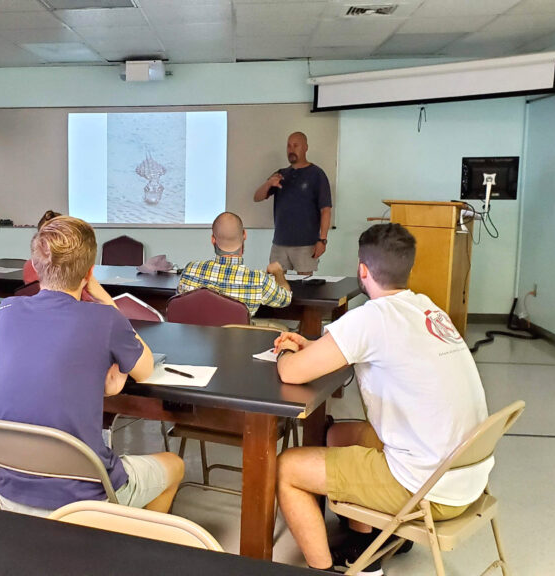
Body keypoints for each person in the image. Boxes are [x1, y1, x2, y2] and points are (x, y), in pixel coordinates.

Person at [273, 224, 490, 575]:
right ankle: (370, 543)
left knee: (287, 467)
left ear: (363, 270)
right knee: (338, 436)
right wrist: (313, 347)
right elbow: (363, 346)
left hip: (426, 489)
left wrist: (285, 348)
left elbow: (291, 373)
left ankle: (326, 569)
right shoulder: (426, 308)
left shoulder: (370, 318)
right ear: (407, 268)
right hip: (466, 474)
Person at [0, 215, 184, 516]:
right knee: (175, 466)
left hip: (10, 490)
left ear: (36, 264)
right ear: (89, 271)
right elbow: (145, 370)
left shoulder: (7, 310)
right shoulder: (105, 319)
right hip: (81, 497)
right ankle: (132, 542)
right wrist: (104, 296)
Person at [177, 211, 292, 317]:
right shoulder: (259, 280)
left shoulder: (190, 270)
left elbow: (180, 301)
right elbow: (285, 299)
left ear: (213, 239)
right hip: (237, 339)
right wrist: (278, 274)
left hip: (196, 338)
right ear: (244, 235)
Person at [253, 132, 332, 275]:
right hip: (279, 243)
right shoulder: (281, 174)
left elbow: (325, 209)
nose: (291, 149)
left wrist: (323, 240)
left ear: (305, 147)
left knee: (305, 286)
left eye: (296, 145)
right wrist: (269, 183)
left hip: (306, 244)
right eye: (288, 146)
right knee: (275, 285)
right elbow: (257, 197)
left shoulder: (317, 174)